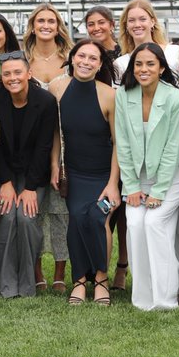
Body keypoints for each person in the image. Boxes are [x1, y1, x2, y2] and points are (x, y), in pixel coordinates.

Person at [111, 0, 179, 293]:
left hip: (169, 177)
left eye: (150, 64)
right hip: (135, 178)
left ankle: (167, 294)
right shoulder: (124, 96)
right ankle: (142, 295)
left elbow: (173, 148)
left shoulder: (175, 98)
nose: (143, 68)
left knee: (155, 225)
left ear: (161, 67)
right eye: (138, 64)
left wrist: (157, 190)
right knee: (136, 225)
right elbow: (124, 143)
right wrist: (129, 186)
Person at [49, 39, 119, 306]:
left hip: (104, 174)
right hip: (75, 173)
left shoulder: (109, 95)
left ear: (100, 64)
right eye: (81, 56)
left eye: (93, 58)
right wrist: (55, 164)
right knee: (77, 219)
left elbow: (119, 144)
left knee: (98, 220)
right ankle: (79, 280)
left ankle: (101, 279)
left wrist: (113, 183)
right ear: (72, 58)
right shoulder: (57, 87)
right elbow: (56, 131)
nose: (86, 62)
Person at [0, 52, 57, 298]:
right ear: (1, 77)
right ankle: (6, 283)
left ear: (29, 74)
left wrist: (29, 188)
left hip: (33, 173)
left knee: (26, 218)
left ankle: (27, 285)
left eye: (17, 73)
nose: (12, 78)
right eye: (7, 74)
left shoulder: (45, 102)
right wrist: (5, 182)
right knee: (6, 217)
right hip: (3, 169)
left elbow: (44, 148)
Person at [24, 4, 74, 290]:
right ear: (33, 25)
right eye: (40, 20)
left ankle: (59, 271)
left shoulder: (69, 58)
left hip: (66, 138)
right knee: (36, 210)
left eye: (51, 21)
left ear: (58, 26)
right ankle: (36, 271)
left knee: (61, 209)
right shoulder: (24, 58)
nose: (45, 25)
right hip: (32, 142)